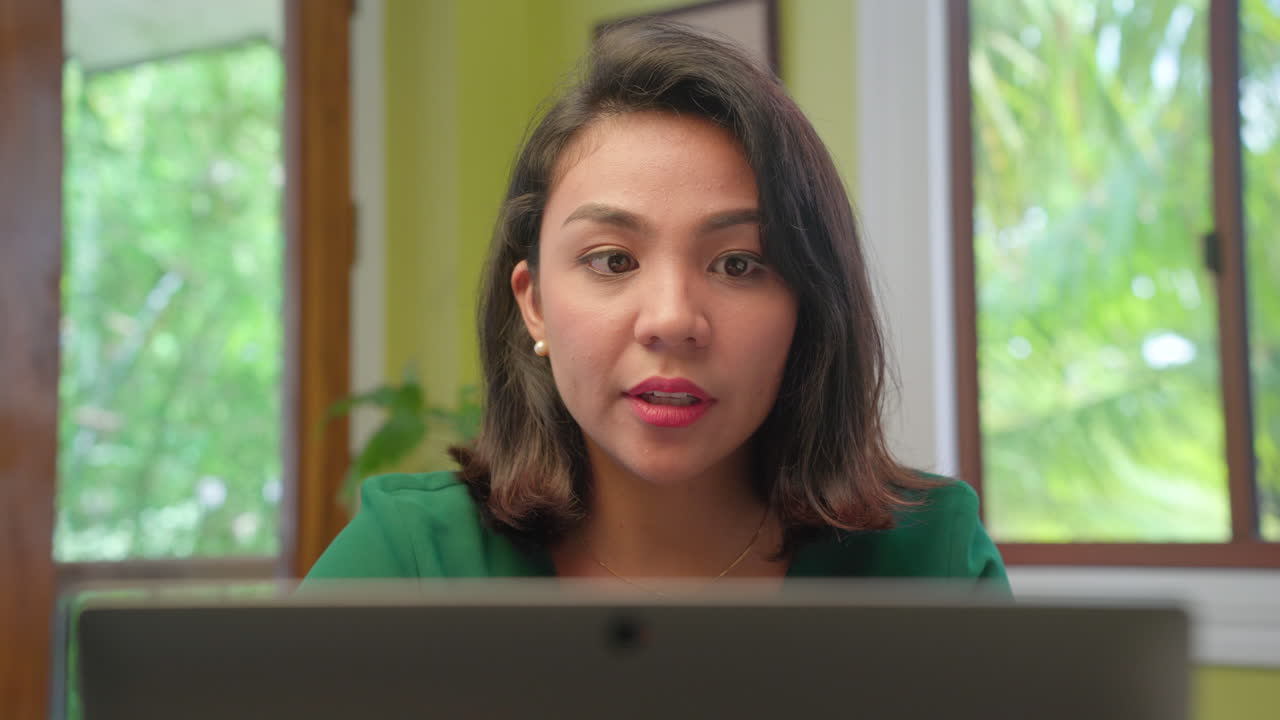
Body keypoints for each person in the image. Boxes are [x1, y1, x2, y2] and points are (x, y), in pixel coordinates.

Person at [306, 20, 1008, 592]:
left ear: (808, 306)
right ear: (535, 304)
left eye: (738, 264)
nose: (672, 320)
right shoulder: (409, 561)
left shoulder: (932, 562)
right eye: (612, 260)